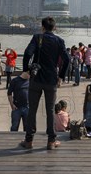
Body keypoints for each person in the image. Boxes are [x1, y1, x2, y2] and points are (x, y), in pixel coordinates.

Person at [19, 17, 69, 150]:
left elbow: (27, 53)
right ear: (55, 27)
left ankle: (29, 141)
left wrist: (26, 70)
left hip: (36, 79)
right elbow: (67, 60)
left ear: (42, 27)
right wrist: (61, 76)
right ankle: (51, 141)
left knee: (32, 110)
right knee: (50, 110)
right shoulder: (59, 41)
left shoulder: (37, 38)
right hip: (51, 80)